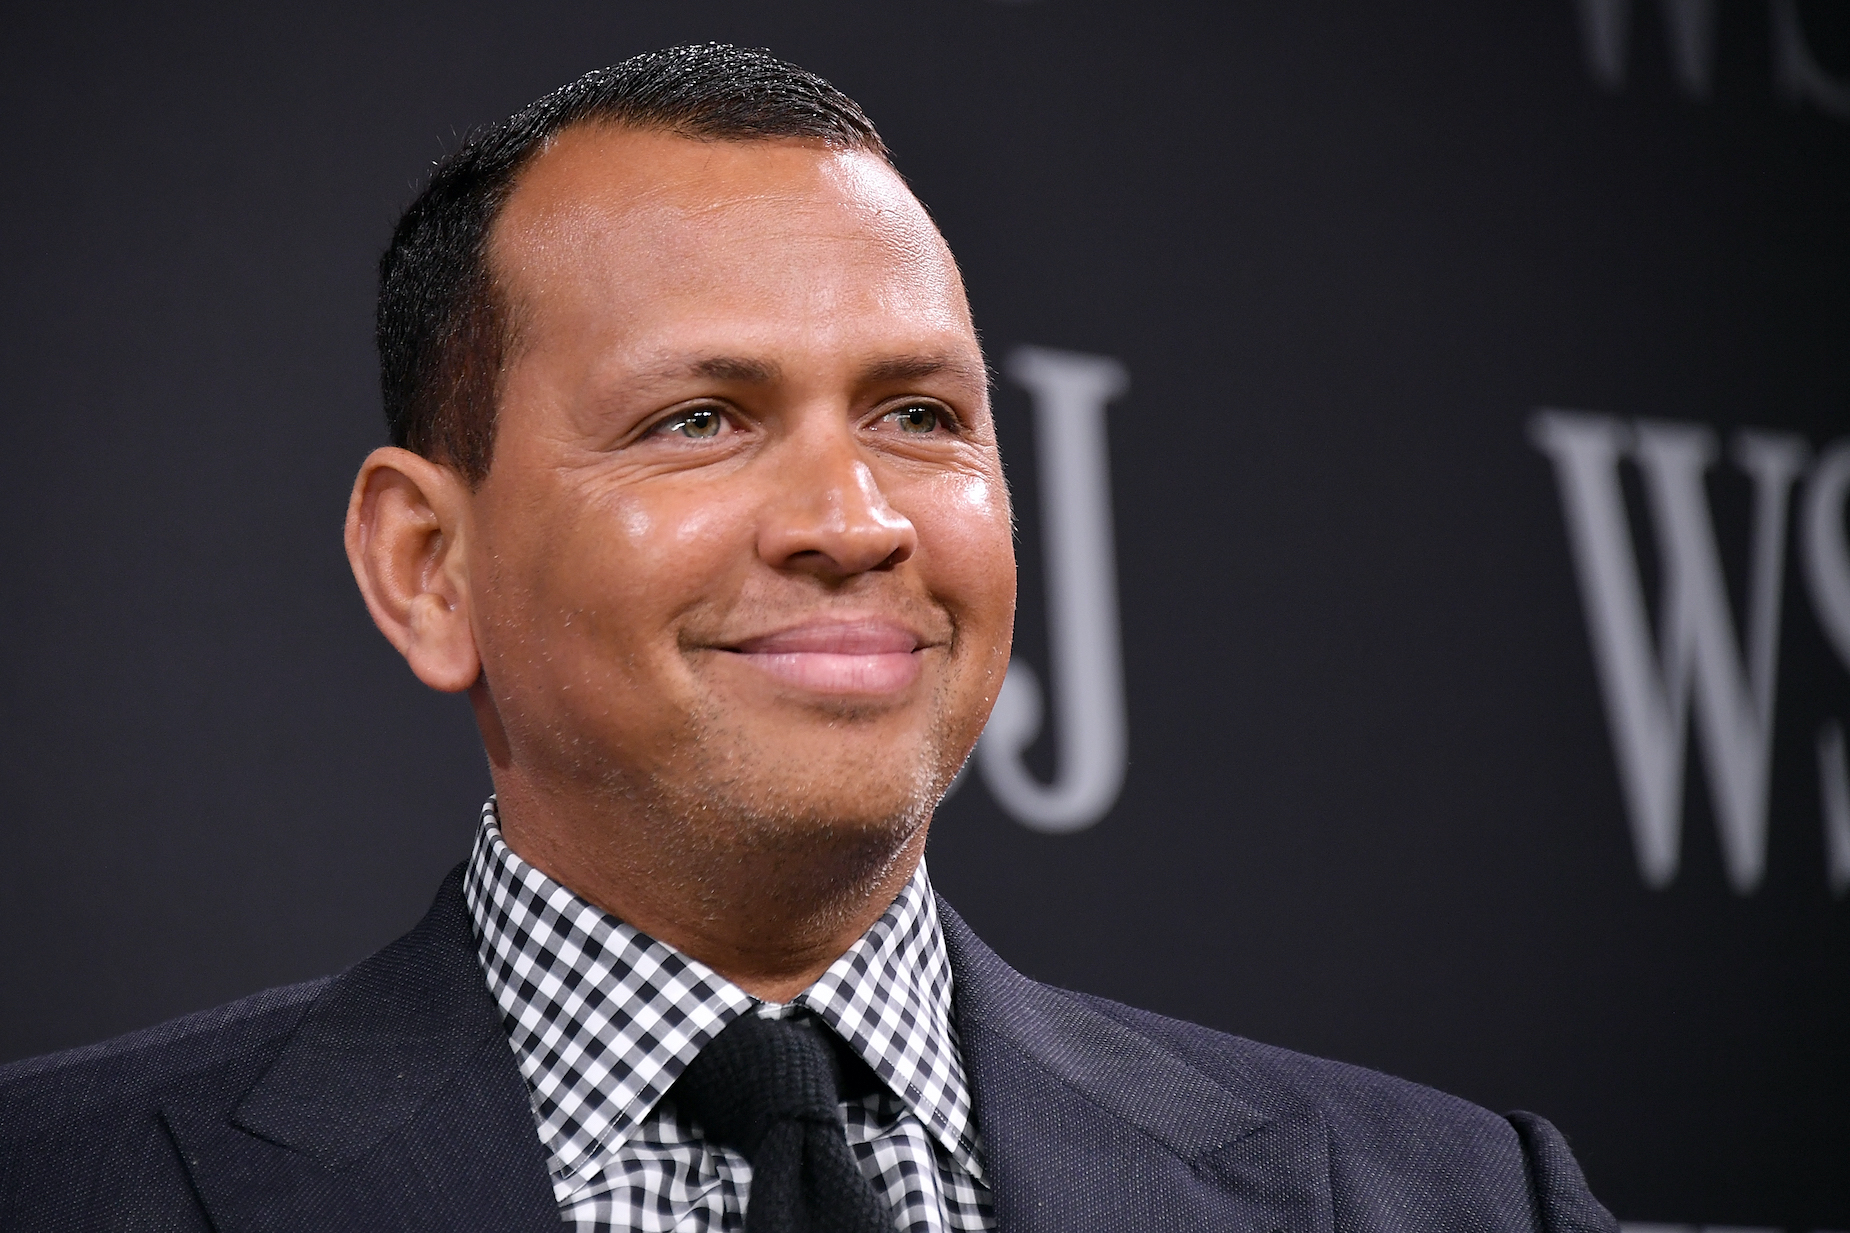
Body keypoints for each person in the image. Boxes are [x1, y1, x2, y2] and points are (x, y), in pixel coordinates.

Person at [0, 44, 1616, 1232]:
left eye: (919, 413)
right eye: (701, 419)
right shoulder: (61, 1184)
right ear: (430, 565)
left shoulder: (1457, 1201)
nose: (852, 516)